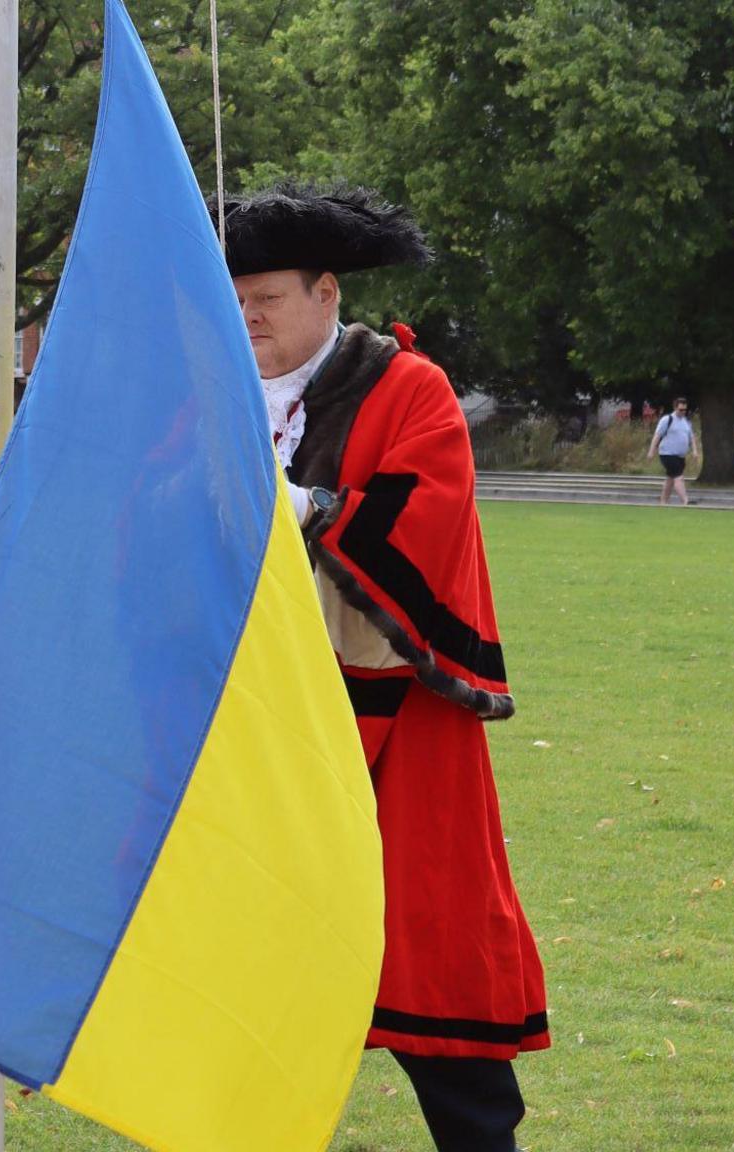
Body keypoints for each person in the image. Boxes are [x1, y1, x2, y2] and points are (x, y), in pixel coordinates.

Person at [218, 182, 547, 1152]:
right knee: (241, 978)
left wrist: (311, 513)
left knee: (427, 968)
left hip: (392, 729)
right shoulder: (210, 392)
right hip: (251, 736)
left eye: (264, 298)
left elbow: (427, 519)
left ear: (325, 293)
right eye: (230, 299)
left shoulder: (407, 388)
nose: (245, 318)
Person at [648, 396, 697, 505]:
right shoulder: (667, 419)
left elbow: (691, 437)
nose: (683, 412)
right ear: (675, 408)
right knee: (678, 477)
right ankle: (685, 500)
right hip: (667, 454)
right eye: (680, 410)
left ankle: (663, 501)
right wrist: (651, 451)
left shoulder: (686, 422)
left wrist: (694, 450)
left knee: (670, 478)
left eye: (685, 410)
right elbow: (657, 435)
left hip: (680, 455)